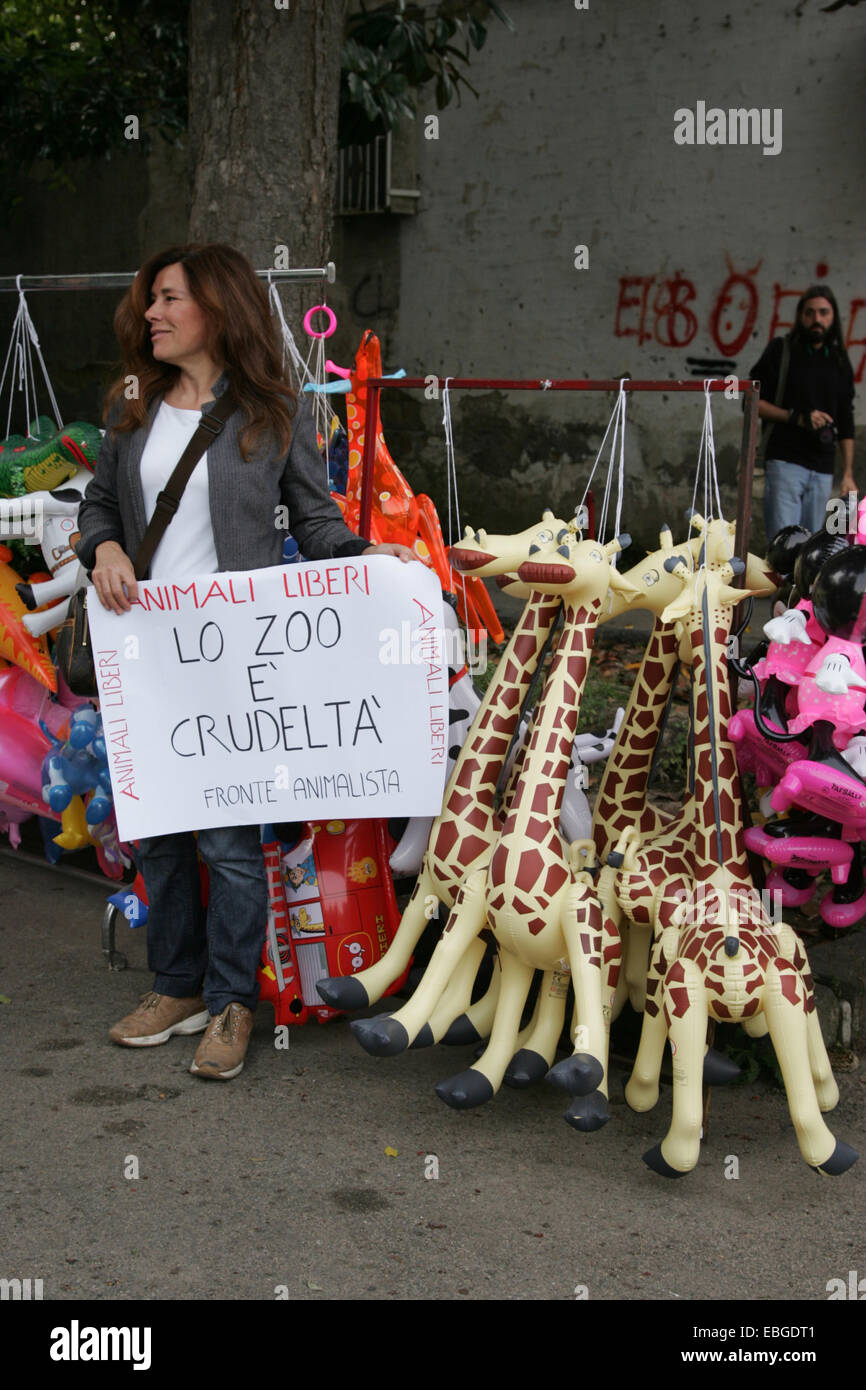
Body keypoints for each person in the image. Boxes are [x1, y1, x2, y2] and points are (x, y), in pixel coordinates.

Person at [75, 242, 415, 1080]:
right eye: (149, 299)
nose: (150, 313)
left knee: (228, 843)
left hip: (233, 666)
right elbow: (97, 503)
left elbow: (316, 523)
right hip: (147, 656)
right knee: (156, 833)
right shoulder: (131, 404)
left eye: (168, 298)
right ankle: (175, 987)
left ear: (215, 310)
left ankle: (232, 1003)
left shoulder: (274, 409)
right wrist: (106, 547)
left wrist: (378, 560)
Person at [749, 284, 856, 543]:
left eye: (823, 312)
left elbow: (846, 419)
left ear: (833, 317)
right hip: (785, 462)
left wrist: (848, 474)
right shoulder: (781, 351)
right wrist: (796, 417)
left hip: (823, 469)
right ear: (800, 316)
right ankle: (782, 585)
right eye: (809, 313)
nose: (816, 319)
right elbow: (751, 402)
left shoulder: (839, 360)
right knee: (784, 547)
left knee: (816, 549)